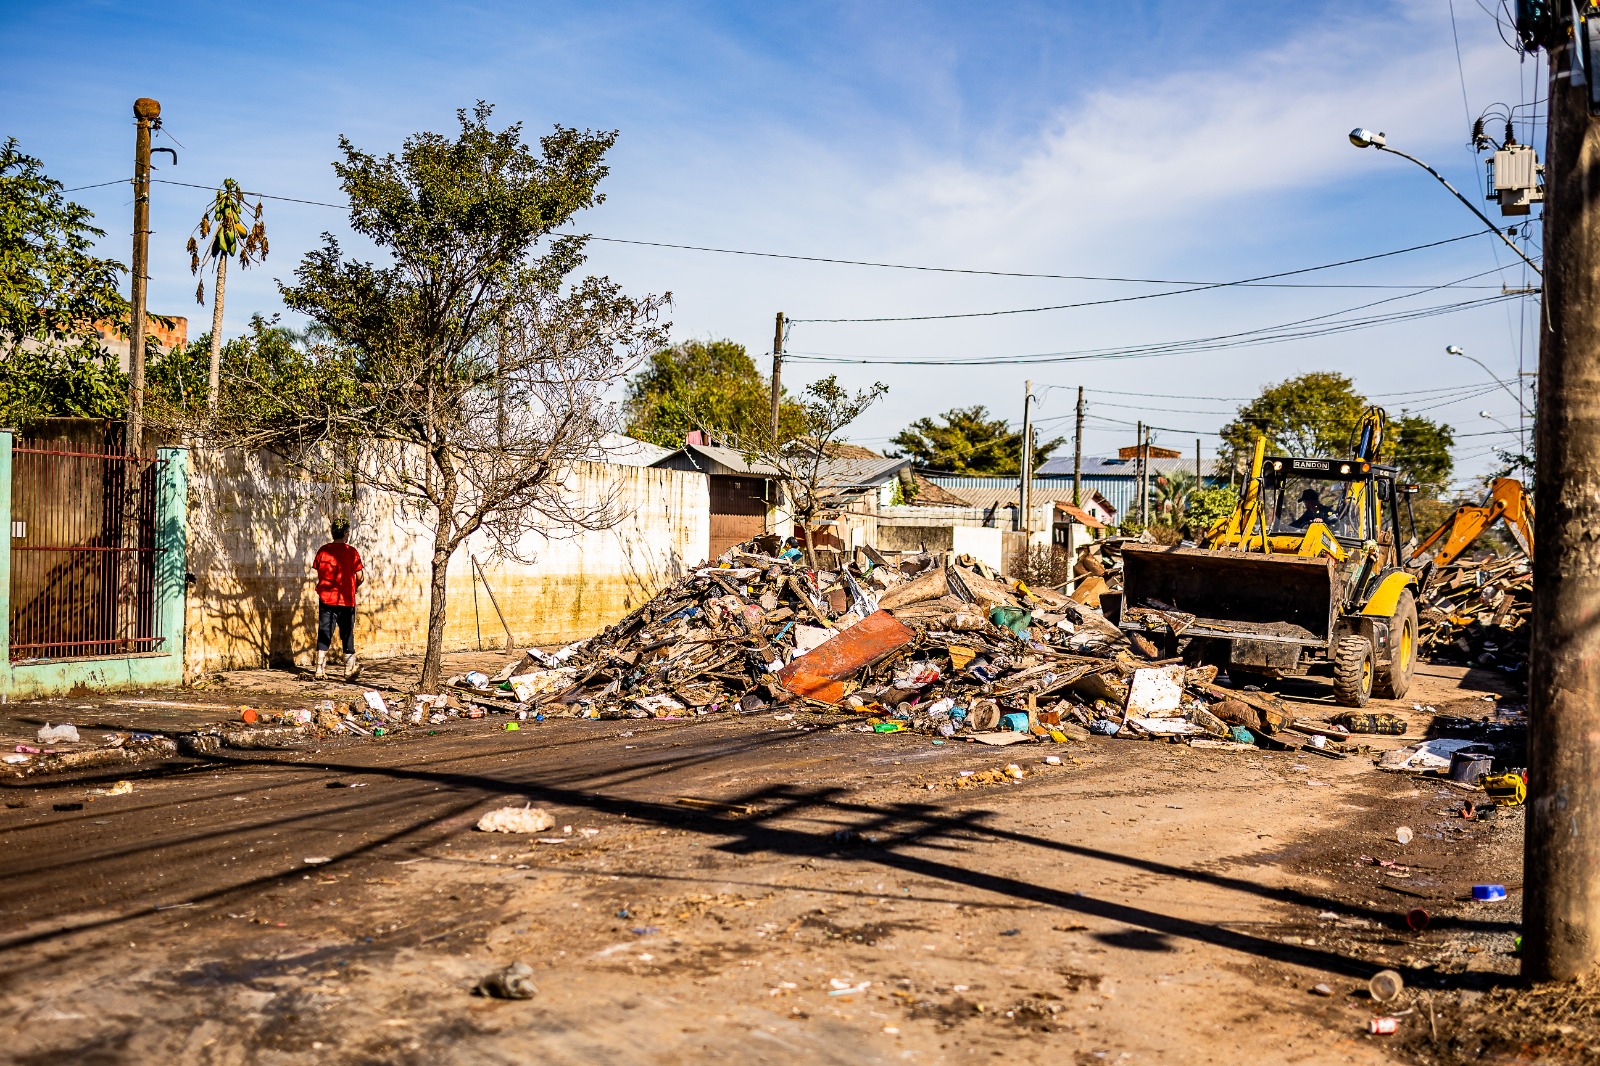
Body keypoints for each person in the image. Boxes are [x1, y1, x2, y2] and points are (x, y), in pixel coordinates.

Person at [312, 518, 363, 680]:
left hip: (326, 598)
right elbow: (360, 576)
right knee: (347, 634)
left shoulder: (323, 551)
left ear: (332, 533)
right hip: (346, 600)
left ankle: (320, 669)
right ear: (346, 534)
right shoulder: (352, 552)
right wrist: (354, 587)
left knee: (324, 631)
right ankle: (348, 669)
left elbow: (318, 570)